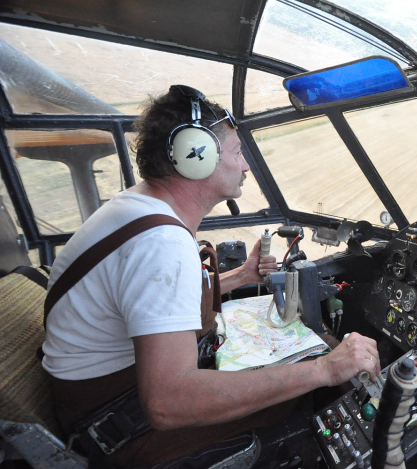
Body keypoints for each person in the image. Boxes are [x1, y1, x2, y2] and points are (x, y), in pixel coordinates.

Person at [42, 85, 380, 468]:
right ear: (195, 159)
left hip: (108, 401)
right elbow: (169, 403)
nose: (246, 165)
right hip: (115, 427)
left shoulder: (136, 209)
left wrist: (240, 276)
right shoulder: (161, 243)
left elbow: (151, 303)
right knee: (302, 396)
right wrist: (325, 369)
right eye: (236, 153)